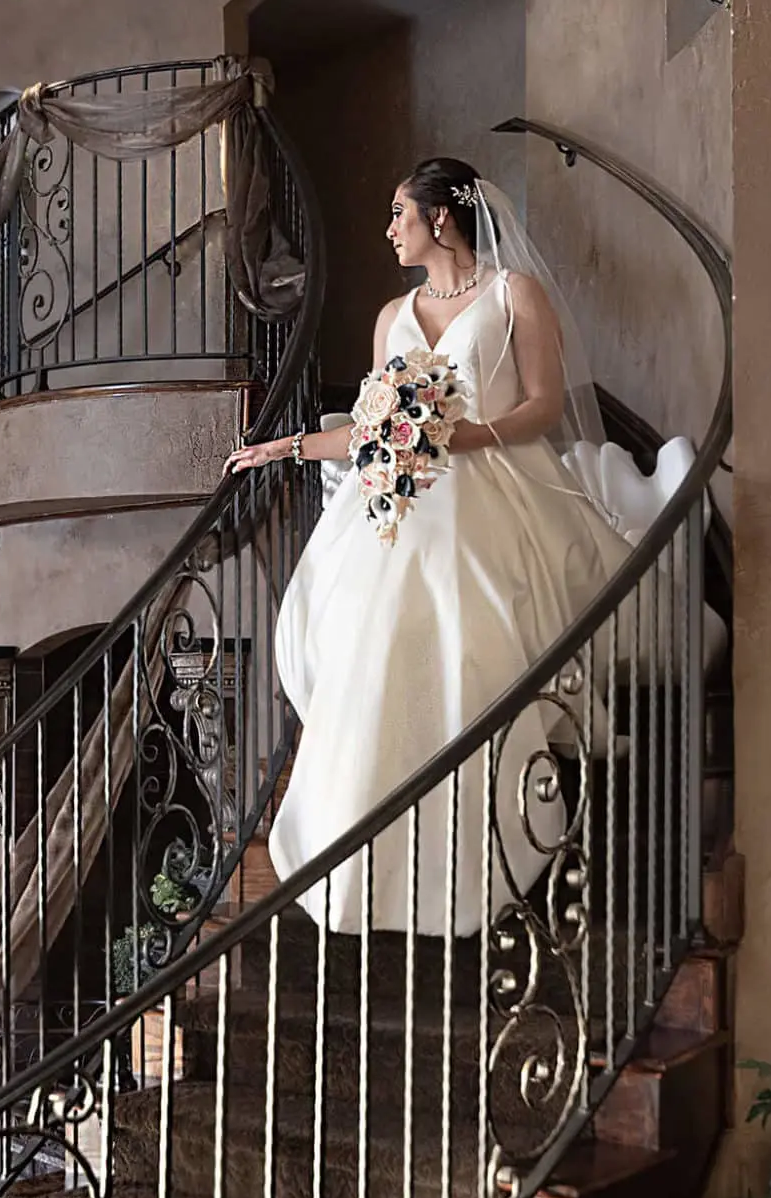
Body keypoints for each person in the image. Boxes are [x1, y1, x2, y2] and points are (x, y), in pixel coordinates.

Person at [225, 157, 632, 936]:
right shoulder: (392, 316)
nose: (389, 230)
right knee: (364, 633)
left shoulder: (515, 294)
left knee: (459, 614)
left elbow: (545, 405)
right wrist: (288, 449)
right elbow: (373, 428)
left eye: (399, 214)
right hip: (402, 492)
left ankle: (475, 844)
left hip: (489, 481)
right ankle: (360, 861)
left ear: (441, 217)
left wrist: (463, 435)